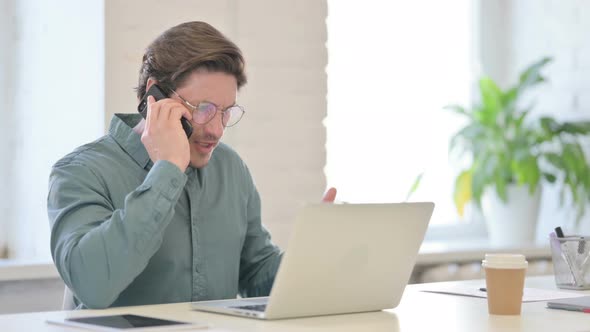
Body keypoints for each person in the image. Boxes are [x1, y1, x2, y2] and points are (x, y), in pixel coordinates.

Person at [47, 21, 337, 309]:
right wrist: (168, 170)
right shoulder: (80, 172)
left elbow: (256, 274)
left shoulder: (230, 168)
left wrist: (308, 258)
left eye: (226, 112)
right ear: (154, 95)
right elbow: (92, 284)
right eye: (204, 109)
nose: (217, 130)